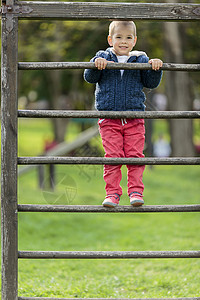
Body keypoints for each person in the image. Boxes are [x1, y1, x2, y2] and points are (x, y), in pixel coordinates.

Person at [84, 21, 163, 207]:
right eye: (119, 37)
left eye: (128, 38)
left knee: (135, 155)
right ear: (110, 39)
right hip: (109, 119)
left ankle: (136, 191)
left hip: (134, 117)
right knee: (113, 156)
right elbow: (89, 77)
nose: (123, 41)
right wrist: (96, 64)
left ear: (134, 40)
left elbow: (151, 83)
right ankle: (112, 194)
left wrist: (155, 66)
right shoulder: (102, 56)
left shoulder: (141, 59)